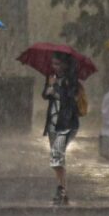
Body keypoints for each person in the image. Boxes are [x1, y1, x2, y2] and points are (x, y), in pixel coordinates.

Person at [42, 51, 80, 206]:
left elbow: (69, 98)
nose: (54, 67)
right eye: (53, 64)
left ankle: (61, 189)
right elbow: (44, 95)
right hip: (52, 122)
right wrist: (49, 87)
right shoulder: (51, 78)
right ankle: (62, 189)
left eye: (57, 64)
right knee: (56, 157)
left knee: (57, 155)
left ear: (65, 65)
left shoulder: (71, 80)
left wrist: (56, 88)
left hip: (67, 123)